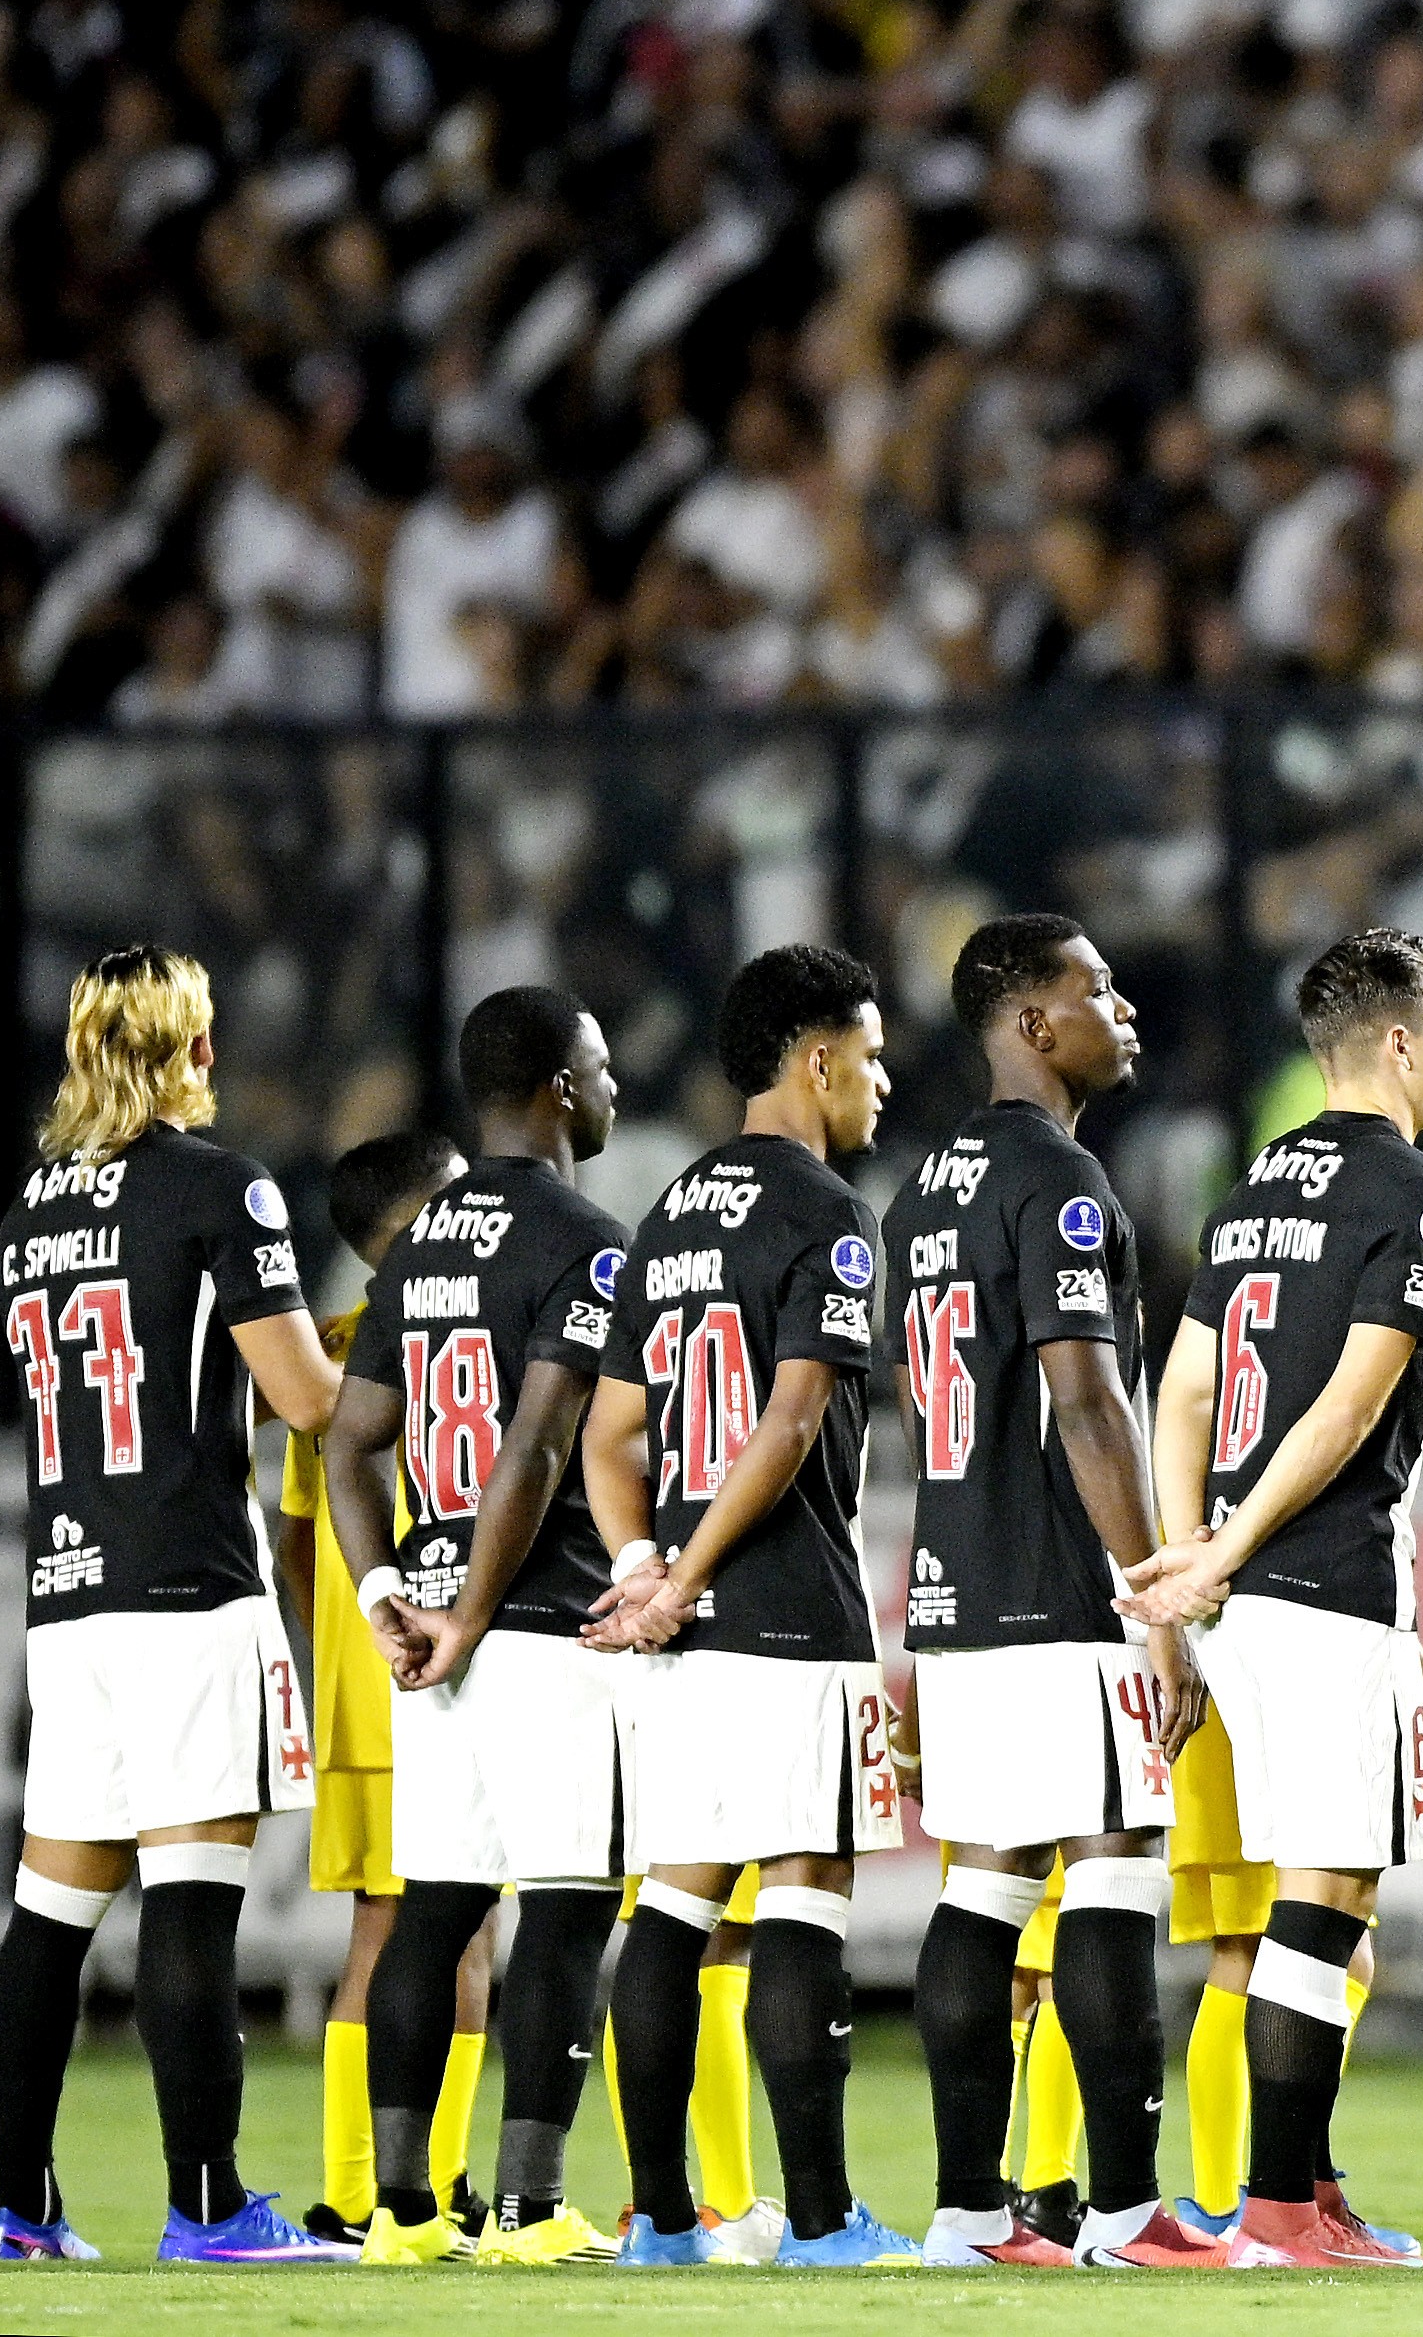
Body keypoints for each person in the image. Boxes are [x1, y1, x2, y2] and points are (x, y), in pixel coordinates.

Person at [0, 947, 355, 2265]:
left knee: (50, 1914)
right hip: (188, 1584)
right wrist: (406, 1363)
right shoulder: (218, 1184)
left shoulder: (30, 1212)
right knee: (190, 1901)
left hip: (69, 1593)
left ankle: (22, 2209)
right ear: (194, 1048)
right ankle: (208, 2205)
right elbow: (304, 1399)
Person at [1126, 927, 1423, 2269]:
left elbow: (1182, 1391)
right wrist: (1222, 1552)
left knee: (1323, 1910)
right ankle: (1272, 2211)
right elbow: (1349, 1402)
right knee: (1322, 1901)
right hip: (1318, 1578)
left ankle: (1307, 2192)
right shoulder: (1422, 1193)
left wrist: (1192, 1566)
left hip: (1241, 1602)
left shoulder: (1253, 1188)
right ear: (1396, 1041)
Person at [582, 942, 917, 2268]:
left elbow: (611, 1434)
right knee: (803, 1891)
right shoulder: (828, 1213)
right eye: (871, 1057)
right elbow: (789, 1421)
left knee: (673, 1903)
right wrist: (691, 1570)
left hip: (680, 1630)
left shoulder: (667, 1213)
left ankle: (661, 2221)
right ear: (818, 1059)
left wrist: (644, 1566)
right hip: (783, 1607)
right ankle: (824, 2221)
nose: (881, 1082)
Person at [890, 915, 1212, 2266]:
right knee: (1114, 1866)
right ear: (1032, 1023)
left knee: (987, 1883)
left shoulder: (924, 1186)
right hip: (1062, 1585)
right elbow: (1085, 1399)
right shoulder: (1058, 1178)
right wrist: (1159, 1599)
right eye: (1097, 989)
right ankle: (1128, 2212)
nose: (1121, 1009)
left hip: (959, 1583)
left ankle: (971, 2211)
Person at [312, 993, 637, 2265]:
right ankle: (528, 2209)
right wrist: (474, 1614)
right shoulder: (586, 1242)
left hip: (434, 1633)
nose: (611, 1090)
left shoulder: (420, 1247)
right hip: (541, 1621)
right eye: (599, 1068)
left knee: (435, 1909)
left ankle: (400, 2216)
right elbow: (541, 1444)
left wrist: (387, 1596)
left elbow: (349, 1441)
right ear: (558, 1087)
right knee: (564, 1909)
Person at [276, 1128, 480, 2253]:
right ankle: (421, 2186)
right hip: (445, 1674)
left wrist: (344, 1660)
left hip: (362, 1687)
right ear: (410, 1227)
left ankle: (360, 2190)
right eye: (455, 1201)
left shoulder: (331, 1352)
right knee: (457, 1933)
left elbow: (298, 1542)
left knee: (387, 1931)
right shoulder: (463, 1333)